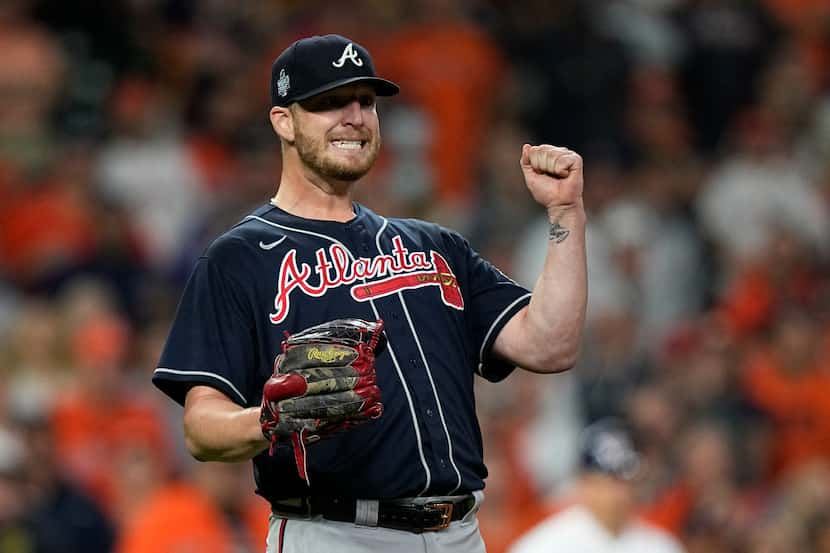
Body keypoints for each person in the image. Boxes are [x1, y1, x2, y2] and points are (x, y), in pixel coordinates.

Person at [152, 33, 587, 553]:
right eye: (329, 102)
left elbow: (550, 344)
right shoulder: (240, 256)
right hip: (334, 532)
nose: (354, 116)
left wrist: (565, 215)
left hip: (460, 532)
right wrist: (270, 418)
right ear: (283, 121)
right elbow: (201, 428)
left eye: (365, 101)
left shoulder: (435, 244)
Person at [507, 419, 686, 553]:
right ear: (585, 482)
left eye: (626, 481)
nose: (620, 492)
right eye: (610, 481)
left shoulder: (661, 545)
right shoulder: (544, 545)